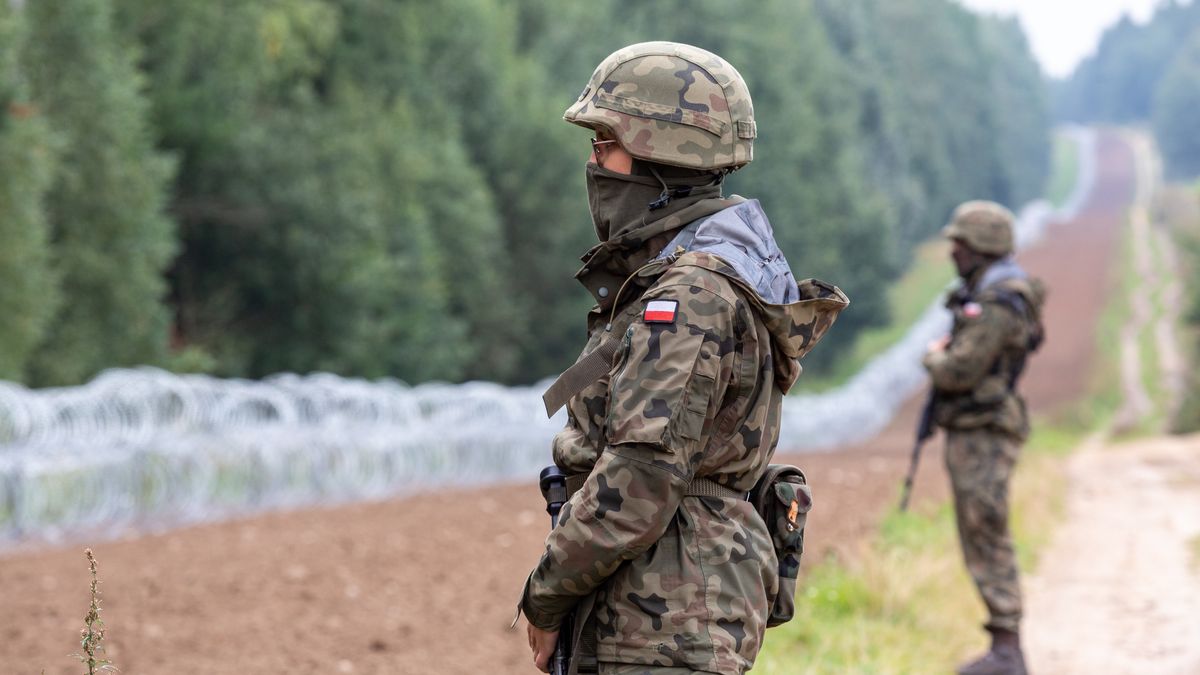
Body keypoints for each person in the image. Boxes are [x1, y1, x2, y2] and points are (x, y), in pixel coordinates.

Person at [516, 42, 848, 675]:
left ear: (657, 152)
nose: (596, 165)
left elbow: (641, 474)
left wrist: (546, 594)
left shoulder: (689, 295)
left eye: (605, 144)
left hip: (662, 620)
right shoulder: (708, 273)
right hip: (669, 606)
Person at [923, 201, 1045, 675]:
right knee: (980, 531)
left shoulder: (996, 301)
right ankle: (1004, 645)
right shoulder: (991, 292)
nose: (953, 251)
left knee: (987, 532)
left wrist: (934, 358)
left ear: (981, 247)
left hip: (985, 430)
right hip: (978, 428)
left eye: (960, 243)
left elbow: (959, 370)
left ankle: (1008, 650)